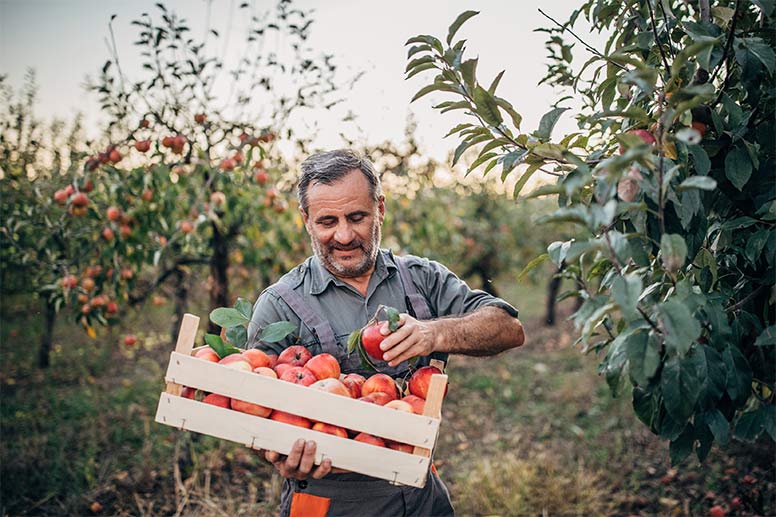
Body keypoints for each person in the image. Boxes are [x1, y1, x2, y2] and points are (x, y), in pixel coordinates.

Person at [247, 149, 525, 516]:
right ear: (306, 220)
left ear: (380, 208)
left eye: (357, 217)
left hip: (419, 492)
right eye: (327, 221)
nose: (344, 235)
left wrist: (435, 333)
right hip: (330, 502)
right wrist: (278, 452)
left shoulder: (421, 279)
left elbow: (509, 328)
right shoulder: (280, 305)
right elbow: (251, 409)